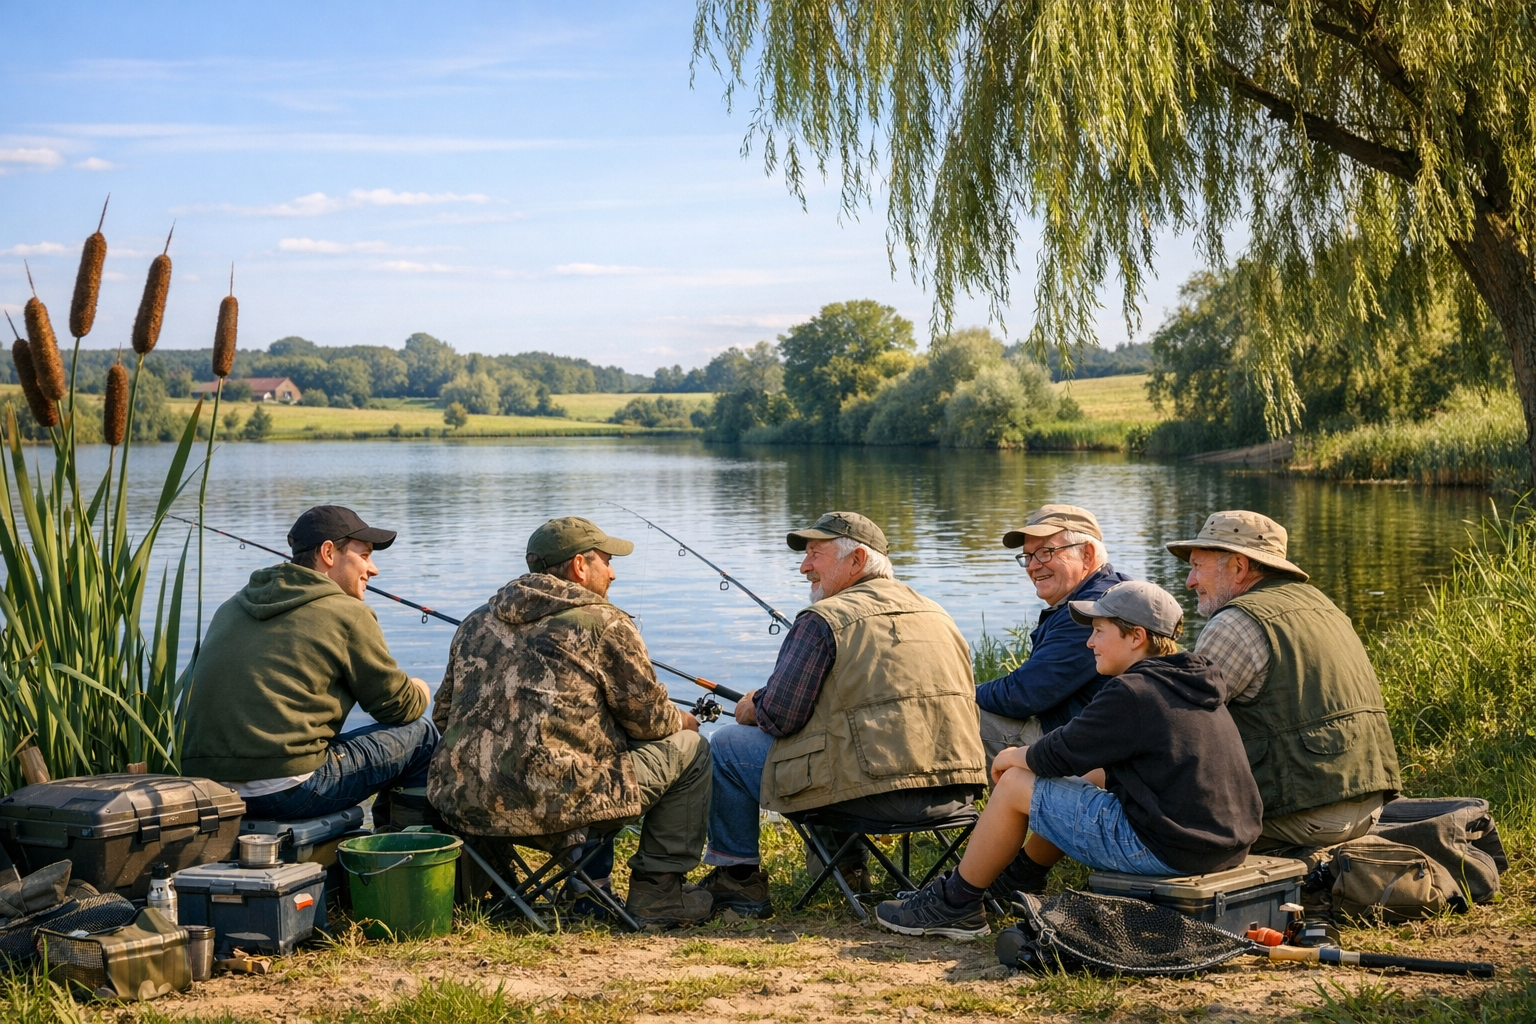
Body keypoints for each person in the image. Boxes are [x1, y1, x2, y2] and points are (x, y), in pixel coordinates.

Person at [875, 581, 1263, 940]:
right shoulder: (1190, 682)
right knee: (1089, 778)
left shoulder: (1134, 691)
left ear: (1136, 637)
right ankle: (1019, 879)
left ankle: (955, 903)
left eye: (1099, 631)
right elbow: (1082, 761)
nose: (1090, 642)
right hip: (1223, 845)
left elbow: (1058, 753)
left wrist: (1012, 756)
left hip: (1169, 850)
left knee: (1015, 784)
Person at [426, 516, 713, 928]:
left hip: (466, 805)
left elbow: (443, 715)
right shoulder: (606, 623)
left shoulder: (474, 622)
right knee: (692, 749)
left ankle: (552, 884)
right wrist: (682, 720)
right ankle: (658, 894)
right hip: (560, 809)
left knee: (589, 745)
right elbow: (650, 723)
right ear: (580, 565)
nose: (612, 573)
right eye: (607, 561)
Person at [699, 511, 989, 918]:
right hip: (954, 794)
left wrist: (751, 706)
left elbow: (780, 717)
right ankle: (849, 870)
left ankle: (738, 880)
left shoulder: (823, 619)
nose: (804, 567)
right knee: (837, 741)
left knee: (727, 745)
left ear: (857, 560)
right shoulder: (939, 614)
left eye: (815, 554)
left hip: (869, 800)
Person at [182, 505, 436, 822]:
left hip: (207, 791)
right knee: (421, 734)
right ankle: (398, 848)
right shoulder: (347, 613)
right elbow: (399, 707)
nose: (373, 569)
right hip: (290, 791)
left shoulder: (231, 607)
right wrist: (421, 689)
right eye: (365, 555)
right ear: (328, 553)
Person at [1167, 510, 1402, 852]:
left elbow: (1178, 727)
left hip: (1307, 814)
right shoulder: (1324, 606)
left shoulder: (1235, 621)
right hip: (1370, 806)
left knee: (1155, 824)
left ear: (1238, 567)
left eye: (1197, 566)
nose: (1190, 581)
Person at [971, 503, 1131, 896]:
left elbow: (1023, 694)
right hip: (1095, 743)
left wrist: (962, 695)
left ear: (1087, 554)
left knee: (956, 718)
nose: (1033, 566)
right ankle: (1009, 863)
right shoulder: (1110, 592)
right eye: (1028, 556)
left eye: (1046, 552)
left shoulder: (1093, 610)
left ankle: (924, 818)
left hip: (1088, 752)